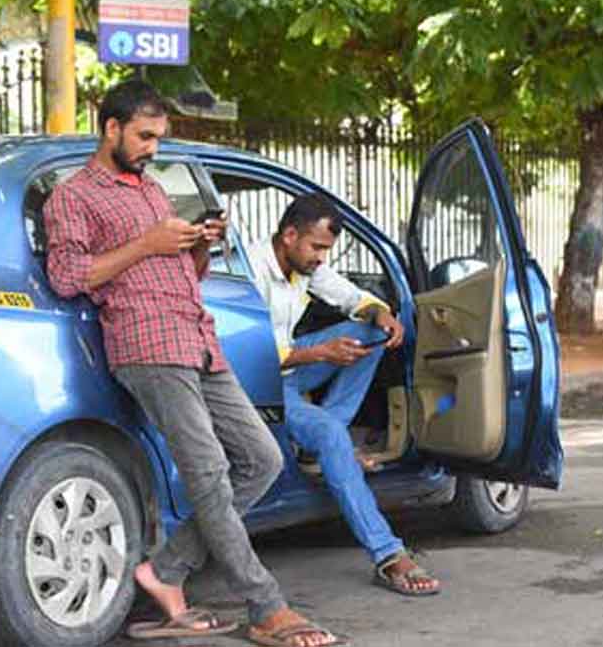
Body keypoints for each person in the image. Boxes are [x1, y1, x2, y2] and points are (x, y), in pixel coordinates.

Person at [44, 79, 345, 647]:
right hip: (147, 345)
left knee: (260, 458)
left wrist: (200, 244)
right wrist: (148, 244)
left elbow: (182, 272)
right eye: (145, 136)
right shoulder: (74, 196)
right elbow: (68, 277)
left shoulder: (152, 191)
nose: (153, 147)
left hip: (198, 338)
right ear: (111, 129)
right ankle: (266, 605)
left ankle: (165, 569)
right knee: (207, 470)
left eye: (159, 137)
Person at [247, 192, 441, 597]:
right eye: (317, 247)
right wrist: (319, 353)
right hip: (257, 384)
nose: (321, 257)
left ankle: (324, 436)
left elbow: (353, 298)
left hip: (291, 371)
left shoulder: (306, 267)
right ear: (289, 235)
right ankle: (388, 554)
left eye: (326, 250)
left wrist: (381, 313)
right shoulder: (249, 268)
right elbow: (247, 354)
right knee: (333, 438)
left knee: (370, 334)